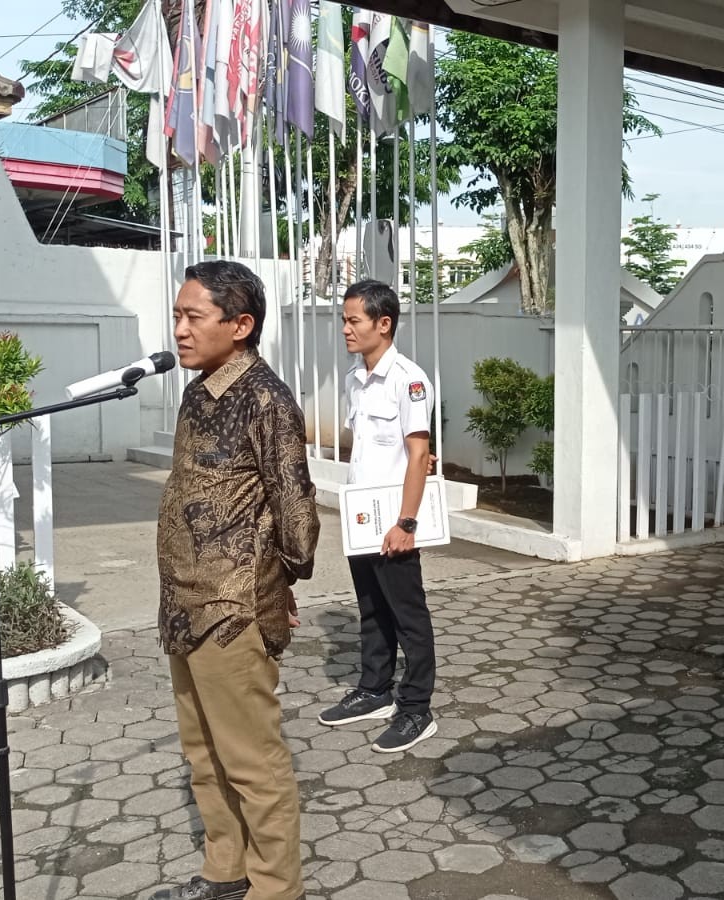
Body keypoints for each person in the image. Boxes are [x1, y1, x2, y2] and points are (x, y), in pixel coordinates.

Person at [157, 261, 318, 900]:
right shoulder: (198, 391)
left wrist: (281, 583)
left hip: (232, 607)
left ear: (241, 325)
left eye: (193, 317)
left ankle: (277, 889)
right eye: (178, 315)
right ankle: (226, 872)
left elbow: (296, 512)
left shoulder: (266, 400)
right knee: (203, 753)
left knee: (252, 761)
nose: (180, 329)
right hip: (181, 601)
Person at [318, 279, 439, 753]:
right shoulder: (356, 378)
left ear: (383, 323)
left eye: (354, 320)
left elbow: (418, 453)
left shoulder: (408, 380)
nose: (345, 329)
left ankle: (417, 709)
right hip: (362, 518)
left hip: (394, 522)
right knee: (371, 609)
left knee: (409, 617)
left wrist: (406, 524)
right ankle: (375, 691)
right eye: (343, 320)